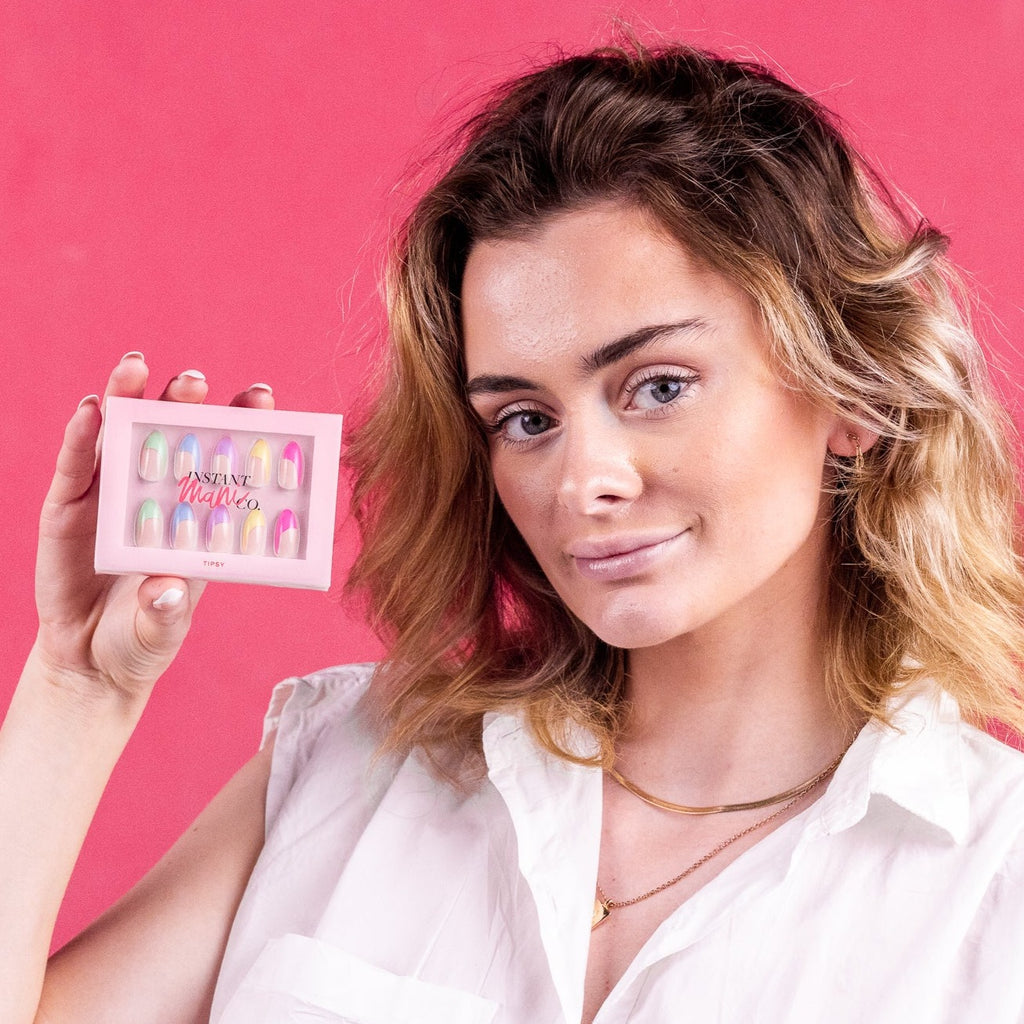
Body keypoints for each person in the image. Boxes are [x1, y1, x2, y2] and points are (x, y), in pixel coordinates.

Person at [4, 40, 1024, 1024]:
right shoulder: (357, 762)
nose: (582, 481)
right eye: (525, 419)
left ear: (851, 392)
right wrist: (77, 686)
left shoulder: (994, 888)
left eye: (657, 385)